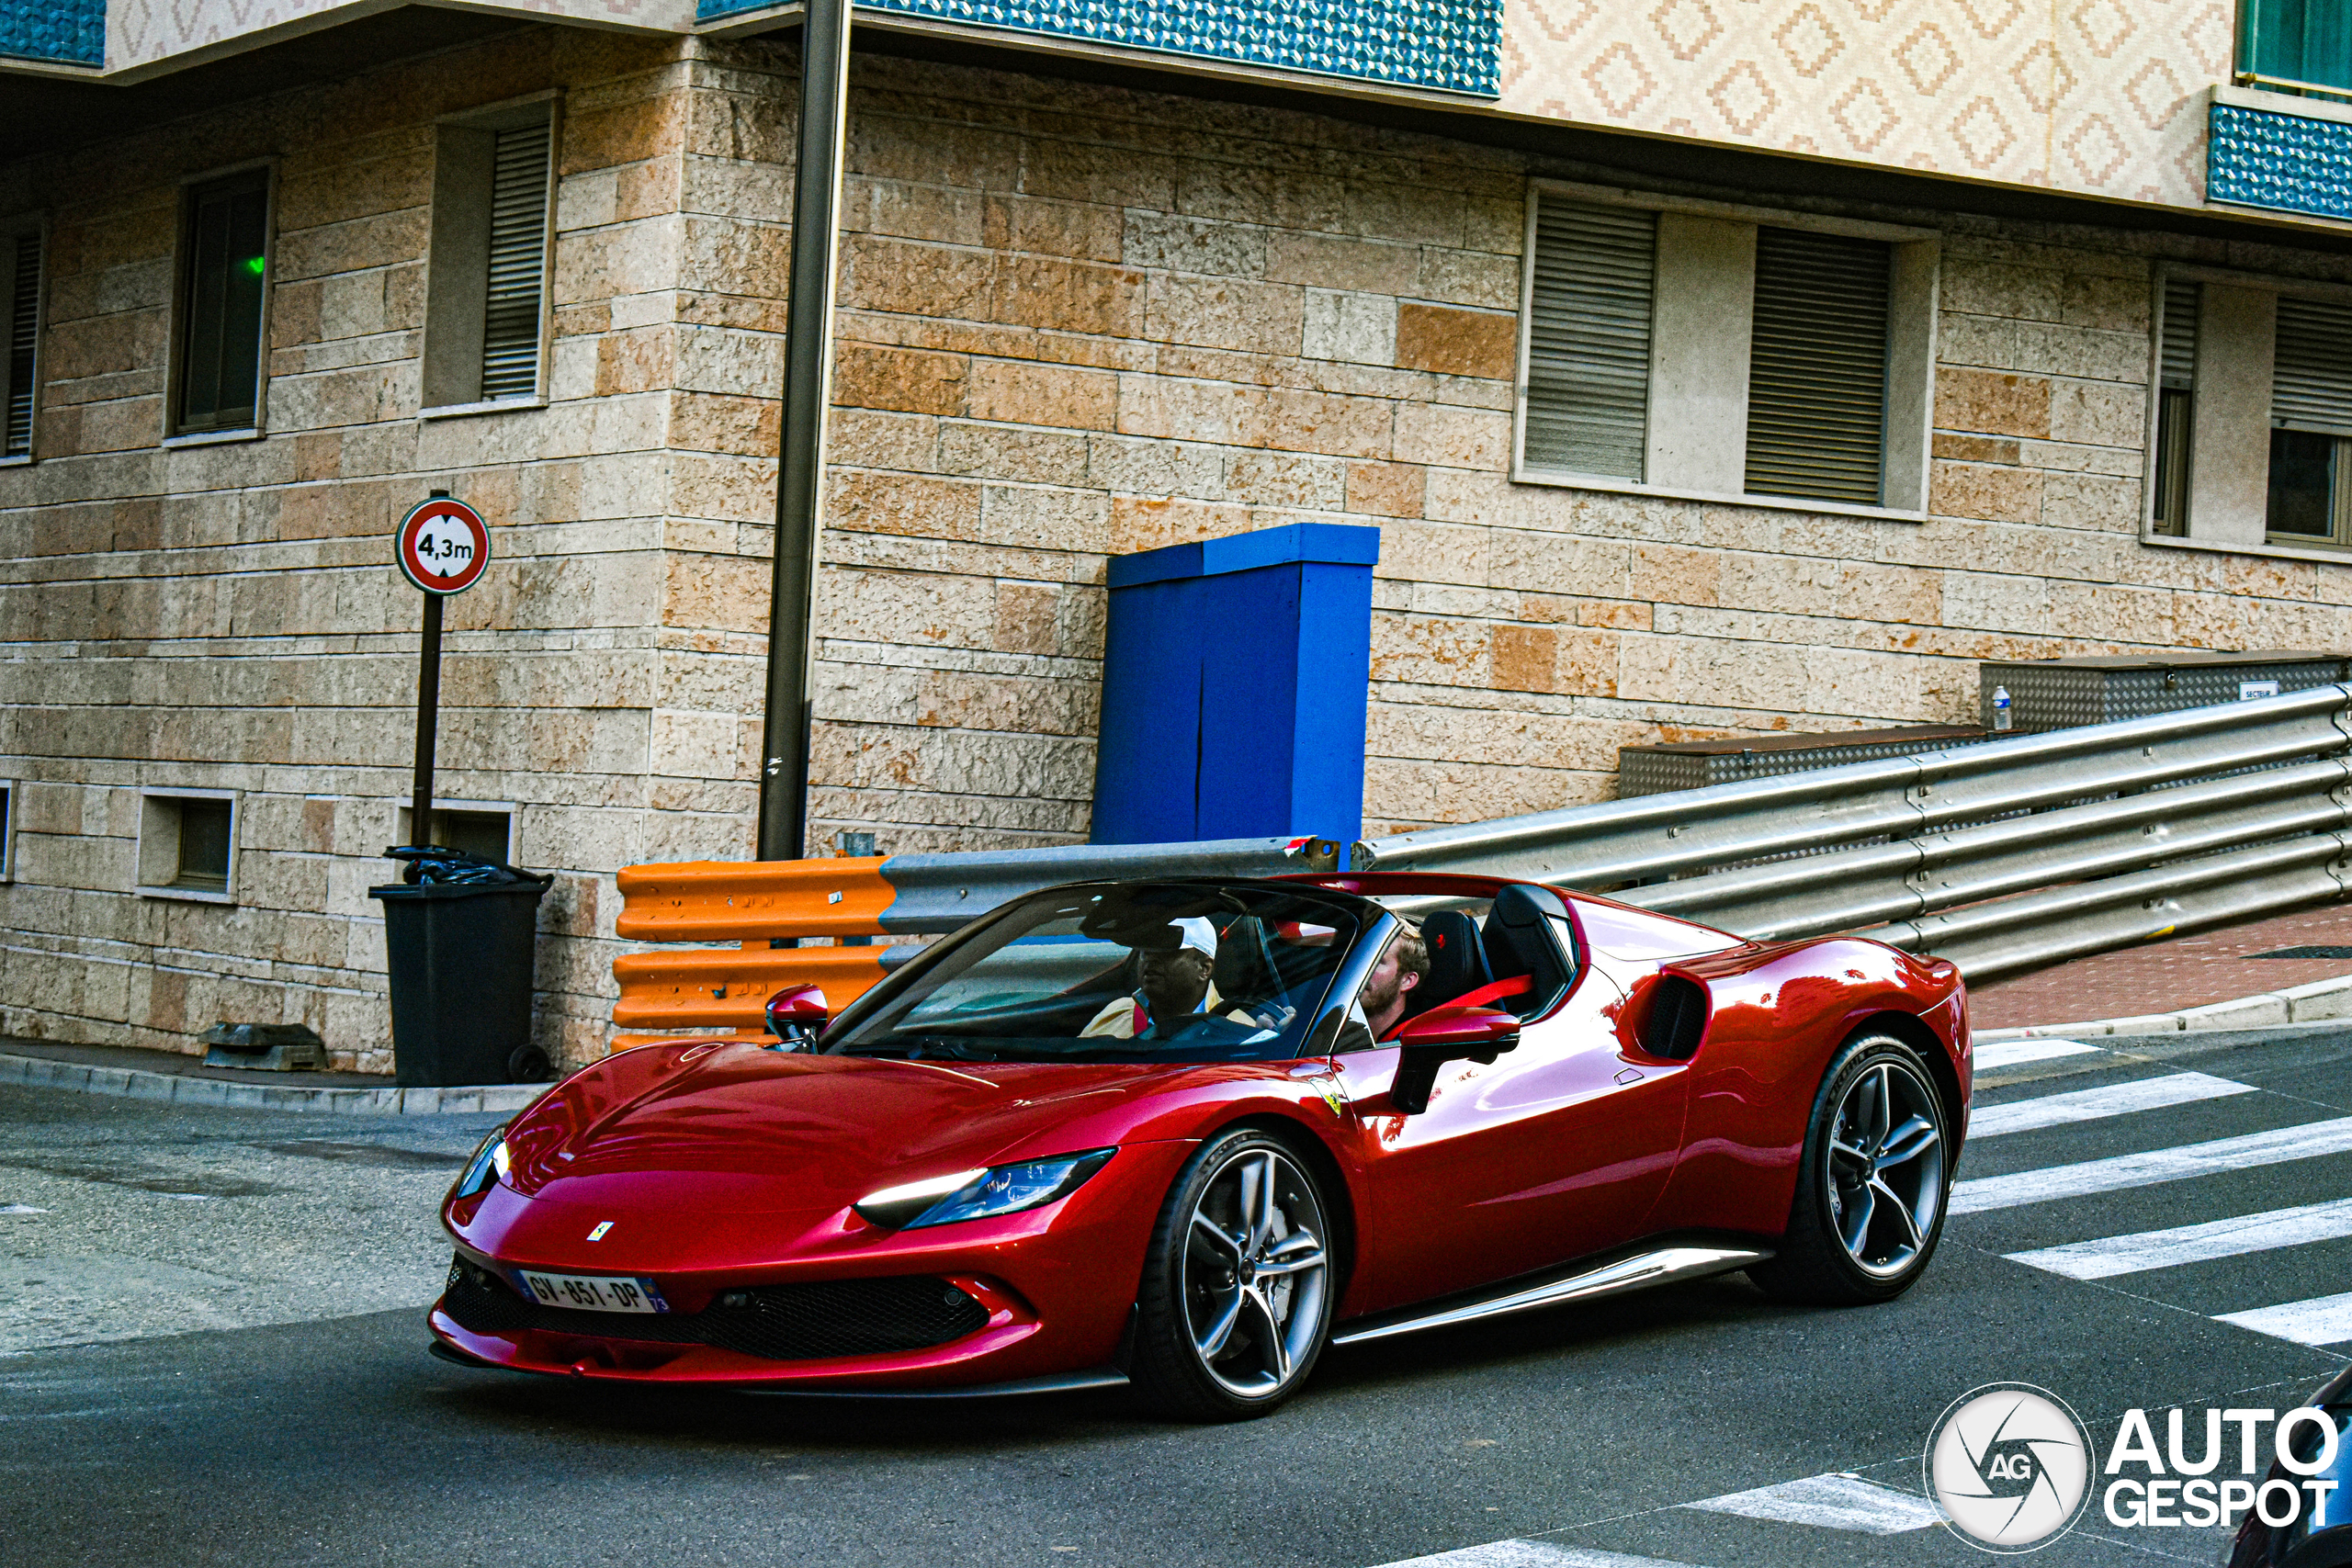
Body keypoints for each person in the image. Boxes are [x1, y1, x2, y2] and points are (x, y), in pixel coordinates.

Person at [1362, 922, 1430, 1041]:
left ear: (1407, 980)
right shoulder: (1332, 1025)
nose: (1362, 968)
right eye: (1360, 958)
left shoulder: (1414, 1043)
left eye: (1376, 961)